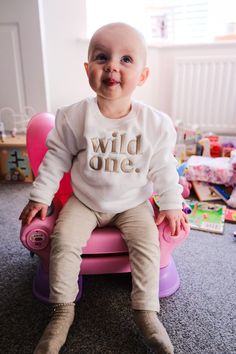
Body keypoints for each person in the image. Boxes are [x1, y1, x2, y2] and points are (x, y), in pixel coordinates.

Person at [20, 22, 188, 354]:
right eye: (102, 57)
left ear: (142, 76)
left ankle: (145, 312)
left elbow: (164, 167)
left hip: (132, 203)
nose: (112, 65)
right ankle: (62, 310)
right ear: (88, 70)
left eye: (126, 59)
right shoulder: (74, 117)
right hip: (86, 201)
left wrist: (170, 203)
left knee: (147, 243)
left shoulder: (152, 123)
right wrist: (40, 196)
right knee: (63, 241)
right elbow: (55, 159)